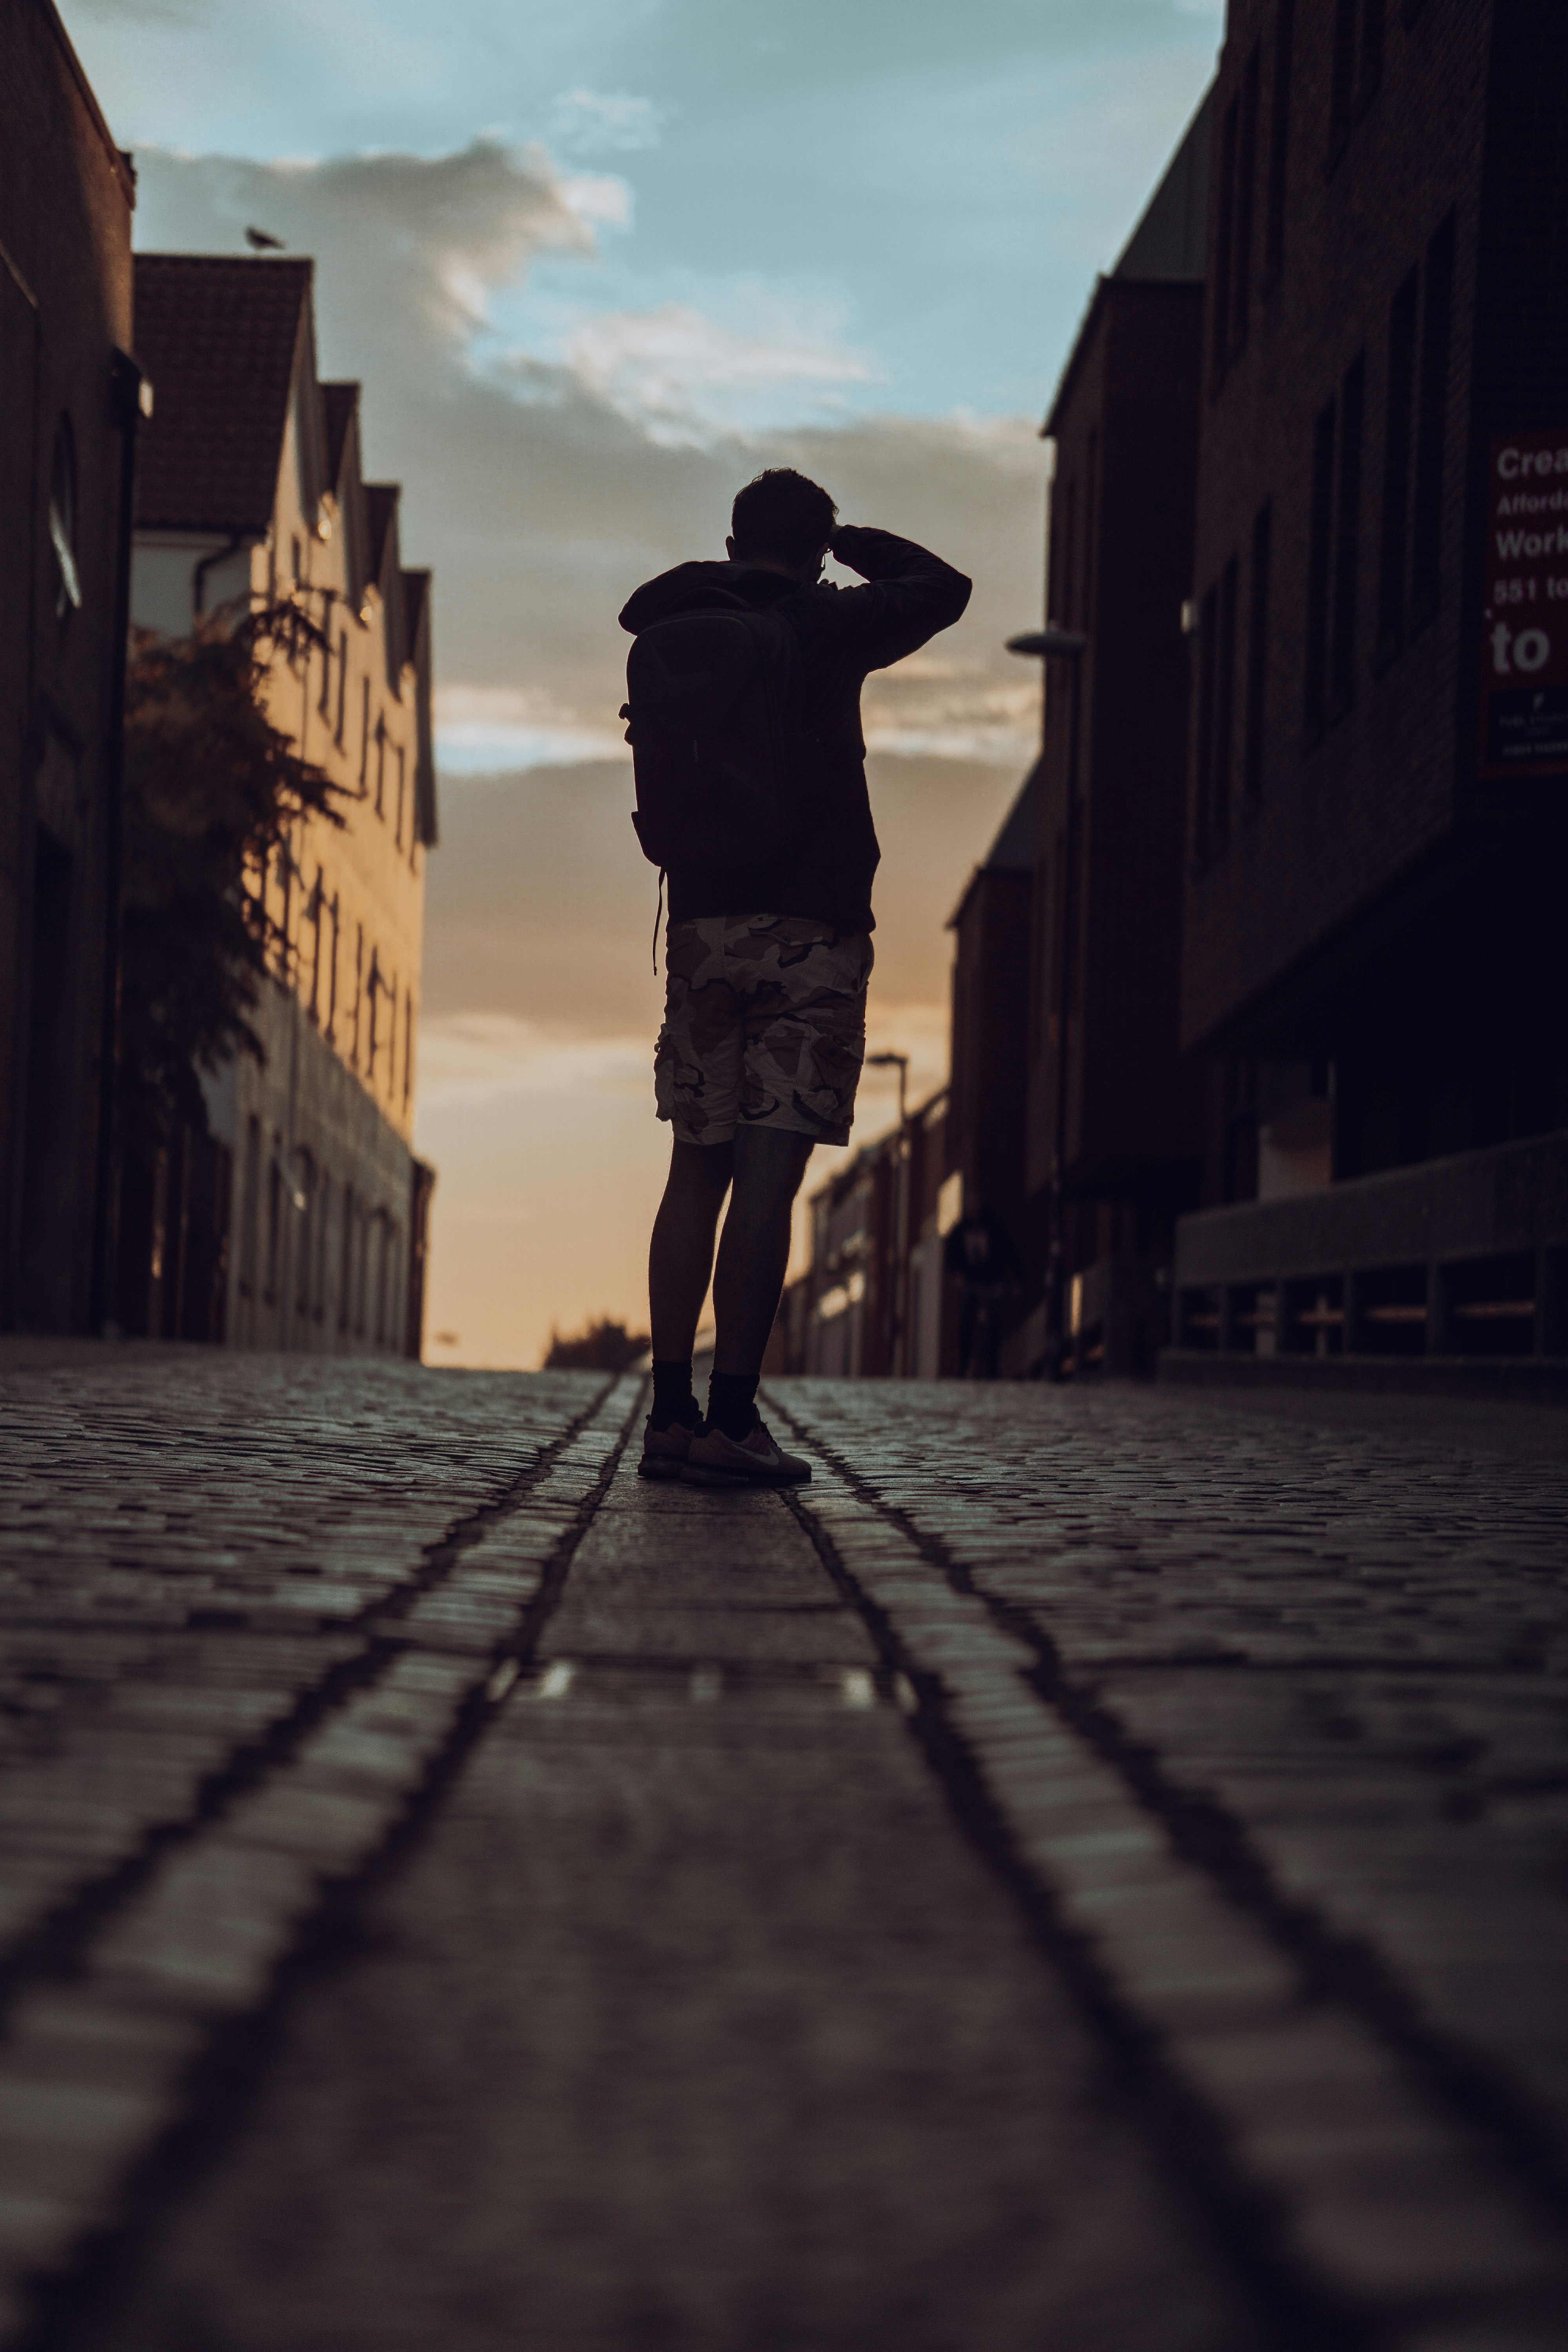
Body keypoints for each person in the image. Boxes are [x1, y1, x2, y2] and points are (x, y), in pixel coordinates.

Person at [621, 467, 971, 1485]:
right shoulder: (824, 623)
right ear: (813, 550)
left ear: (732, 542)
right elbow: (942, 589)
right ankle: (733, 1421)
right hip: (810, 931)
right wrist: (847, 541)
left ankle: (670, 1413)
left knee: (697, 1166)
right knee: (768, 1180)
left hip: (699, 925)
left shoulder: (682, 619)